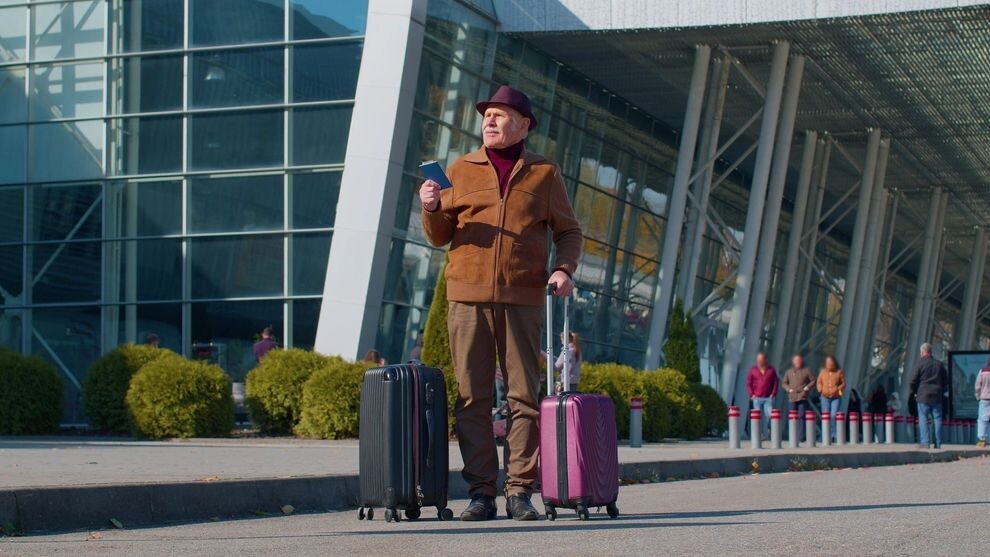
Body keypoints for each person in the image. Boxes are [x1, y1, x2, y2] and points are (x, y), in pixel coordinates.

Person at [419, 84, 582, 521]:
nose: (489, 120)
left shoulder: (544, 173)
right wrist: (431, 208)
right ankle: (481, 493)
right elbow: (439, 236)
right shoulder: (461, 168)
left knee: (523, 397)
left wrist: (563, 268)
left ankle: (519, 491)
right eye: (487, 115)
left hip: (523, 298)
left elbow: (569, 230)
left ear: (524, 125)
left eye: (500, 115)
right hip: (466, 299)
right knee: (471, 398)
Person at [908, 342, 948, 449]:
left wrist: (914, 392)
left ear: (922, 352)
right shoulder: (939, 365)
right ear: (931, 352)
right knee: (937, 418)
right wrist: (941, 390)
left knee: (923, 418)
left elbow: (912, 381)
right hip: (937, 396)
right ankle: (938, 443)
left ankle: (925, 442)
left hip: (923, 396)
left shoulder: (920, 364)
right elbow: (946, 381)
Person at [782, 354, 815, 442]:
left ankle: (801, 436)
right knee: (792, 416)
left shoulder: (807, 370)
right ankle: (793, 435)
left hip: (802, 396)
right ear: (793, 362)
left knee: (801, 416)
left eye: (799, 360)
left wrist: (807, 387)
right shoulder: (789, 372)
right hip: (792, 397)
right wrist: (788, 389)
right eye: (796, 361)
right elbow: (784, 383)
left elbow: (813, 380)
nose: (798, 362)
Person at [745, 353, 778, 439]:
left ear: (765, 360)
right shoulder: (753, 370)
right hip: (757, 398)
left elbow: (776, 382)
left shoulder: (771, 370)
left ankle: (769, 429)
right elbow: (748, 383)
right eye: (758, 360)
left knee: (769, 415)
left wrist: (773, 394)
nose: (759, 361)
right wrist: (751, 394)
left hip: (768, 398)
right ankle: (760, 434)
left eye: (761, 360)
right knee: (758, 417)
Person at [816, 355, 846, 442]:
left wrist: (838, 389)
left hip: (835, 397)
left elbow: (843, 383)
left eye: (830, 362)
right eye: (827, 362)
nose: (829, 364)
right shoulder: (822, 372)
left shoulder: (839, 372)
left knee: (833, 415)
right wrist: (820, 389)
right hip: (824, 397)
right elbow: (819, 382)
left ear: (834, 363)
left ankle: (834, 434)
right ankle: (825, 435)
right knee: (826, 416)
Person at [975, 359, 990, 447]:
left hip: (984, 398)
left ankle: (982, 440)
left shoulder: (983, 371)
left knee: (982, 420)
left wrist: (978, 396)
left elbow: (978, 386)